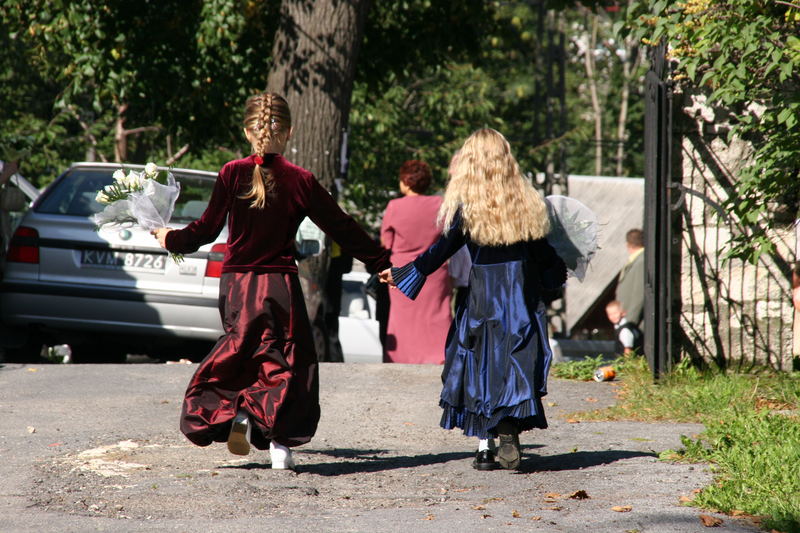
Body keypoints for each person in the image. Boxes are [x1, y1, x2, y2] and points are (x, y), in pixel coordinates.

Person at [152, 92, 390, 470]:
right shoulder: (302, 180)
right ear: (289, 131)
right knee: (284, 360)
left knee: (241, 350)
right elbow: (342, 227)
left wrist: (170, 239)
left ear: (248, 131)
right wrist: (381, 262)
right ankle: (280, 444)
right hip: (280, 285)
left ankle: (238, 413)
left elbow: (205, 229)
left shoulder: (231, 173)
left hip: (238, 285)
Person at [380, 129, 567, 471]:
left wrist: (403, 273)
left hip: (482, 296)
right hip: (519, 296)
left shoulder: (467, 209)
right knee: (515, 363)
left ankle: (484, 445)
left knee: (478, 363)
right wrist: (556, 275)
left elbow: (441, 250)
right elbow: (545, 256)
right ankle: (509, 423)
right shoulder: (527, 205)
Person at [379, 160, 452, 364]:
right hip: (434, 270)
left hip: (401, 273)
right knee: (436, 313)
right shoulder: (441, 204)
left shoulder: (395, 206)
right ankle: (440, 355)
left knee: (403, 319)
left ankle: (401, 357)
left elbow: (386, 242)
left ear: (406, 181)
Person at [615, 228, 645, 329]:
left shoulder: (641, 261)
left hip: (633, 325)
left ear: (628, 244)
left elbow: (639, 295)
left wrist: (630, 324)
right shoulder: (637, 260)